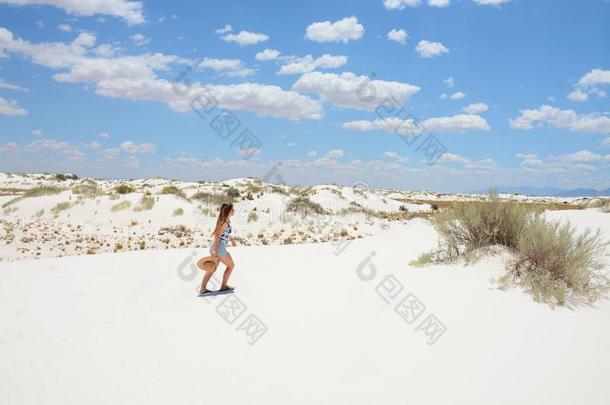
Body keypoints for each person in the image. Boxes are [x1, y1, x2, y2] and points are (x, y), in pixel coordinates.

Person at [200, 202, 236, 295]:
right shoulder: (224, 222)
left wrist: (231, 240)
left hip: (218, 247)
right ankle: (223, 286)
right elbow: (217, 236)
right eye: (232, 210)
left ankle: (202, 289)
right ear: (228, 211)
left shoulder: (227, 220)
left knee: (212, 269)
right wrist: (215, 251)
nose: (234, 211)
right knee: (231, 265)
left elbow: (225, 234)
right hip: (219, 248)